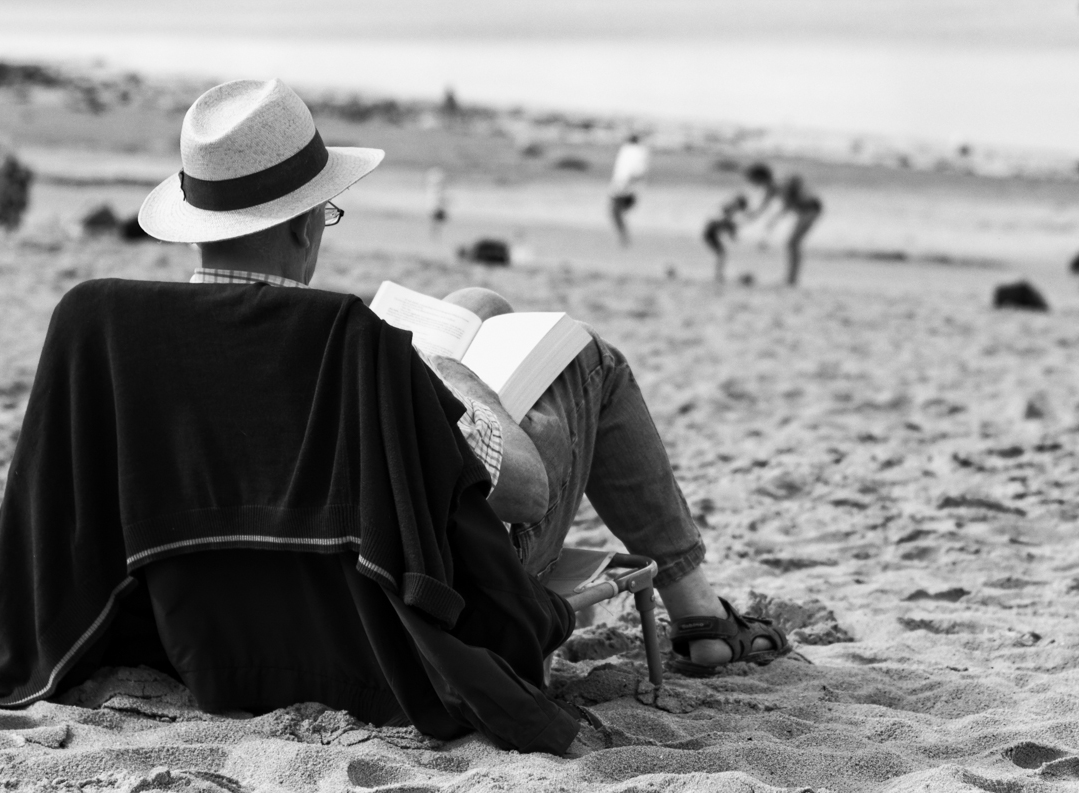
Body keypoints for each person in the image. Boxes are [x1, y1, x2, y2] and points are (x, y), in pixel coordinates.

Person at [138, 80, 785, 677]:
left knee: (474, 300)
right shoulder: (353, 348)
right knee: (591, 363)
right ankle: (700, 613)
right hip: (401, 608)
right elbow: (526, 495)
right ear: (308, 226)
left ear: (198, 229)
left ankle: (697, 610)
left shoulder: (131, 345)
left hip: (228, 612)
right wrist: (445, 372)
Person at [742, 162, 822, 286]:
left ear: (759, 178)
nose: (752, 183)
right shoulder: (771, 187)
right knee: (793, 244)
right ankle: (791, 279)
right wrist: (749, 217)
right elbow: (763, 206)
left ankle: (792, 280)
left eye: (752, 179)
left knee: (792, 243)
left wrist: (773, 222)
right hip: (803, 211)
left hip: (810, 210)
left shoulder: (780, 184)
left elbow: (787, 205)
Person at [608, 133, 649, 246]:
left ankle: (623, 236)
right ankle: (623, 235)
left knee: (615, 211)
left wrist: (625, 183)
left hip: (626, 186)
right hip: (626, 186)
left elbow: (635, 170)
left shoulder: (633, 152)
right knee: (616, 212)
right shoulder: (635, 151)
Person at [702, 194, 749, 283]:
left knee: (722, 253)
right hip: (710, 232)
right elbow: (724, 220)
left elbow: (723, 220)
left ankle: (719, 274)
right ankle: (718, 275)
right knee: (722, 253)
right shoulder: (731, 208)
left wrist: (731, 231)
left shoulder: (730, 207)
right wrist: (732, 232)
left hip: (711, 231)